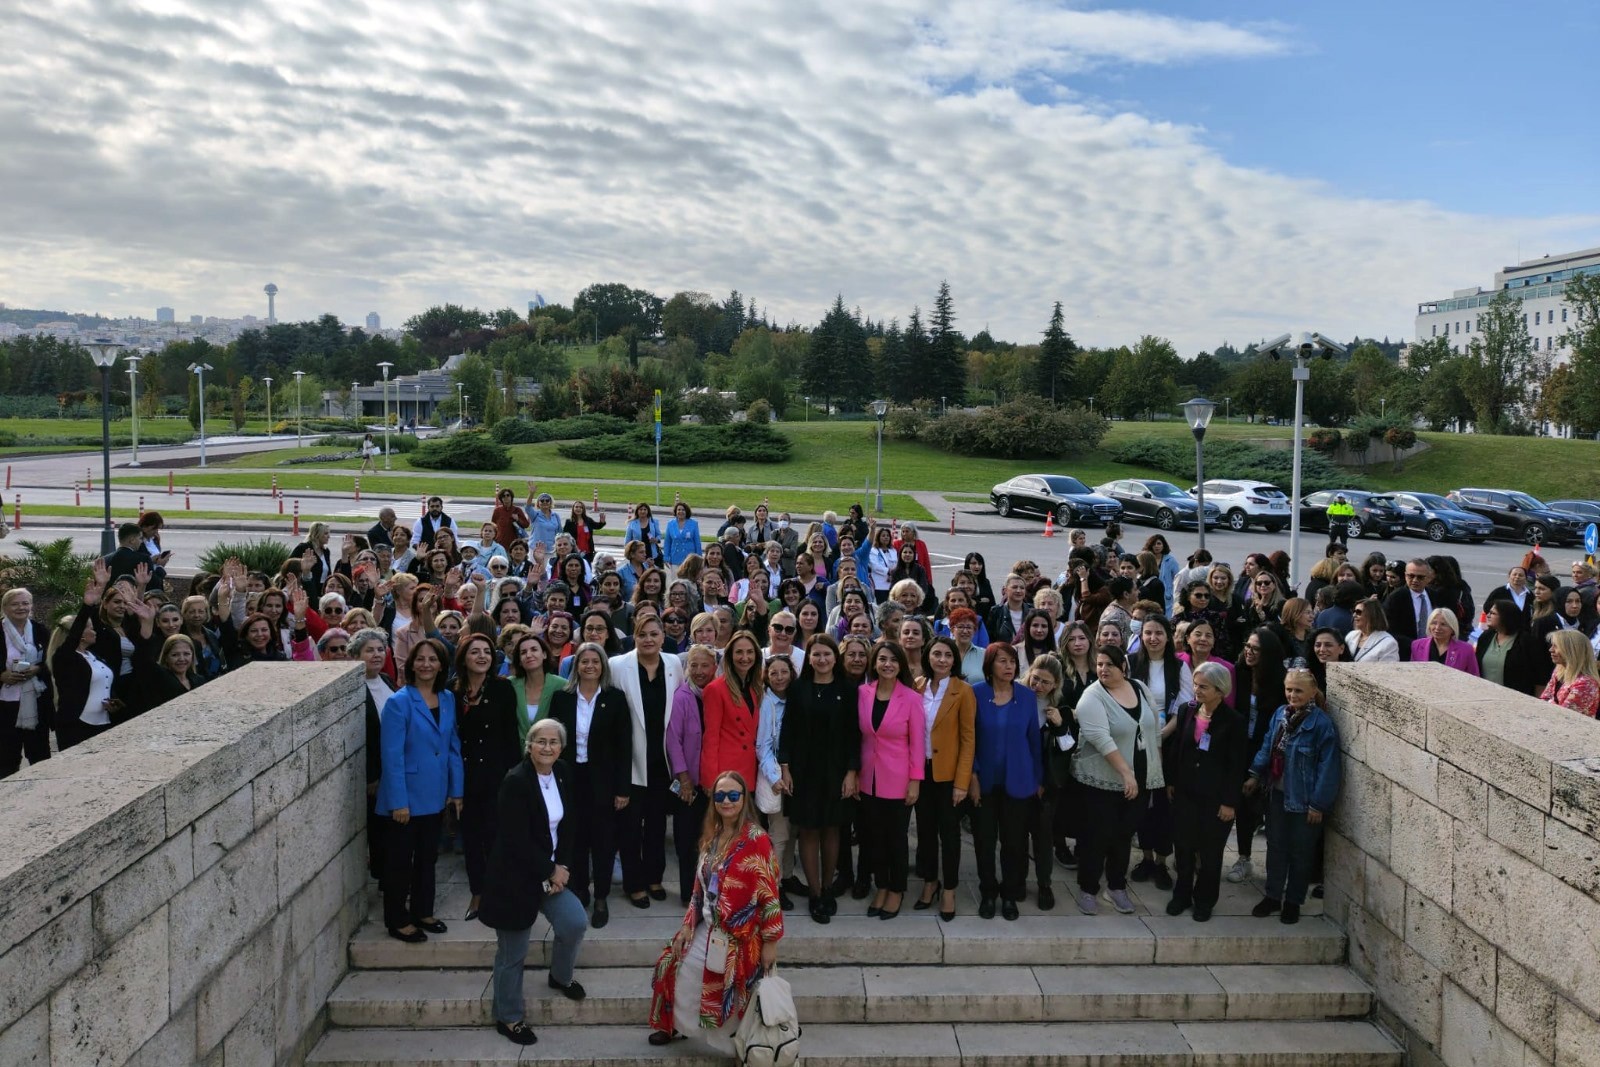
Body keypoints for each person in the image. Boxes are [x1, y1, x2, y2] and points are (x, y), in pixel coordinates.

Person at [648, 771, 783, 1052]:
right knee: (672, 965)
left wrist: (771, 943)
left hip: (740, 936)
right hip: (707, 925)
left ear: (744, 799)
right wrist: (687, 925)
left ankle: (742, 1047)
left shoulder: (757, 840)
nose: (726, 801)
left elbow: (770, 896)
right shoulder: (713, 836)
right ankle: (675, 1025)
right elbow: (699, 889)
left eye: (733, 795)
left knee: (727, 987)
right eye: (720, 796)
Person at [480, 718, 590, 1046]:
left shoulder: (564, 773)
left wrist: (563, 867)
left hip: (552, 873)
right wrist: (550, 870)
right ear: (529, 745)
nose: (547, 747)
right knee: (512, 952)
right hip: (516, 878)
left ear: (562, 747)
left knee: (574, 923)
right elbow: (514, 839)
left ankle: (559, 977)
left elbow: (570, 824)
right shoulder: (515, 781)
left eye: (553, 742)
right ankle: (509, 1017)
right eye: (540, 741)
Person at [376, 639, 464, 943]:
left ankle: (423, 911)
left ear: (442, 665)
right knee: (401, 861)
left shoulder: (448, 698)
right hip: (406, 799)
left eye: (433, 659)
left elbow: (452, 746)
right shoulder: (399, 702)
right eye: (421, 659)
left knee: (428, 858)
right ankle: (398, 919)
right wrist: (398, 802)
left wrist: (457, 790)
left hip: (436, 794)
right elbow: (392, 755)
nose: (426, 664)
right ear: (411, 664)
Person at [545, 642, 632, 927]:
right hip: (571, 780)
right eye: (585, 661)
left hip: (604, 782)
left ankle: (602, 896)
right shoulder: (562, 698)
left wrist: (622, 789)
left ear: (603, 665)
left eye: (596, 661)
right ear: (576, 666)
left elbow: (623, 747)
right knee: (575, 839)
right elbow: (555, 740)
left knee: (604, 841)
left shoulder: (615, 698)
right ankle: (579, 889)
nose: (590, 666)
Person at [1246, 665, 1341, 924]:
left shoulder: (1321, 724)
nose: (1292, 695)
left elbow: (1328, 767)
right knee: (1276, 847)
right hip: (1276, 793)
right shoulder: (1280, 714)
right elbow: (1269, 744)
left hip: (1304, 799)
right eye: (1289, 689)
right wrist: (1255, 773)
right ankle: (1273, 895)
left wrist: (1318, 804)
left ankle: (1294, 901)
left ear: (1312, 692)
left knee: (1300, 852)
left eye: (1298, 690)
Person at [779, 634, 859, 923]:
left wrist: (852, 772)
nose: (822, 659)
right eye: (816, 655)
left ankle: (827, 888)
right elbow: (786, 731)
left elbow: (854, 735)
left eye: (827, 654)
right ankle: (814, 893)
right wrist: (785, 767)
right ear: (809, 658)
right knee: (809, 831)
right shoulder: (798, 688)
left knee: (832, 830)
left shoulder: (848, 690)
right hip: (804, 771)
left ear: (835, 658)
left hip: (836, 772)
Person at [1163, 661, 1248, 922]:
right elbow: (1179, 749)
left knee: (1210, 854)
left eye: (1204, 686)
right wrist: (1172, 781)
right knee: (1184, 848)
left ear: (1220, 690)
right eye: (1196, 685)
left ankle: (1205, 900)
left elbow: (1237, 765)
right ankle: (1182, 894)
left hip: (1215, 800)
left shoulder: (1234, 721)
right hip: (1186, 795)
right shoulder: (1187, 710)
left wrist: (1229, 803)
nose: (1197, 690)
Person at [609, 615, 682, 910]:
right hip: (630, 760)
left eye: (654, 634)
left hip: (662, 761)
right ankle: (634, 883)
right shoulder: (618, 666)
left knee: (655, 824)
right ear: (634, 637)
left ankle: (654, 878)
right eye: (642, 634)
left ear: (663, 637)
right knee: (629, 827)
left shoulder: (674, 664)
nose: (649, 639)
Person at [969, 643, 1043, 920]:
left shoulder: (1025, 696)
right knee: (984, 842)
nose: (1009, 666)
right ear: (990, 665)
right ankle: (988, 892)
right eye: (1002, 661)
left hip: (1019, 780)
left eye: (1012, 661)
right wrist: (972, 774)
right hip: (984, 783)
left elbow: (1033, 739)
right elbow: (968, 739)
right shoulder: (975, 693)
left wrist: (1038, 777)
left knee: (1014, 843)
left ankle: (1010, 894)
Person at [452, 634, 523, 922]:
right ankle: (478, 892)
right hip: (465, 777)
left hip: (497, 775)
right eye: (474, 652)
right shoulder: (452, 691)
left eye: (487, 652)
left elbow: (510, 736)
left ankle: (499, 892)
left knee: (497, 836)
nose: (482, 656)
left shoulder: (503, 689)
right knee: (471, 837)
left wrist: (513, 776)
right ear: (463, 657)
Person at [854, 639, 924, 920]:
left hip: (899, 780)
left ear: (901, 665)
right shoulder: (863, 693)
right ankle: (881, 885)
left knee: (896, 838)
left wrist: (915, 780)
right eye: (882, 659)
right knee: (873, 838)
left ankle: (896, 889)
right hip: (868, 778)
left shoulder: (911, 698)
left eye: (893, 660)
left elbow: (918, 744)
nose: (887, 664)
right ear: (875, 662)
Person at [913, 635, 974, 921]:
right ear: (928, 657)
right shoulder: (917, 686)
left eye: (948, 655)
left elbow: (968, 739)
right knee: (925, 832)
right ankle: (929, 882)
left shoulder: (963, 691)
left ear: (954, 660)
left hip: (949, 775)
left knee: (949, 835)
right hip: (920, 771)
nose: (942, 660)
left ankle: (949, 888)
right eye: (937, 654)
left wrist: (962, 782)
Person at [1226, 627, 1287, 885]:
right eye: (1247, 646)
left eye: (1255, 649)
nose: (1248, 652)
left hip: (1268, 752)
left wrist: (1258, 769)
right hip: (1239, 749)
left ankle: (1277, 869)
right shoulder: (1237, 674)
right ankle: (1243, 857)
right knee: (1241, 806)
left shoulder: (1279, 681)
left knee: (1268, 811)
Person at [667, 644, 716, 902]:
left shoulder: (719, 692)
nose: (698, 671)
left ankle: (712, 891)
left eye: (704, 665)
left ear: (715, 667)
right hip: (689, 784)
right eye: (693, 665)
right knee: (686, 841)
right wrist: (683, 777)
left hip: (715, 782)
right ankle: (689, 892)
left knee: (713, 841)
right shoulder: (681, 696)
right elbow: (673, 739)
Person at [754, 655, 796, 909]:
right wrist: (775, 776)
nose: (780, 677)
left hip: (798, 775)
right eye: (774, 673)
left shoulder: (796, 699)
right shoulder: (766, 703)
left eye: (784, 672)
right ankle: (773, 887)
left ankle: (788, 877)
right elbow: (763, 745)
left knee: (793, 833)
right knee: (778, 834)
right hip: (776, 777)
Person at [700, 630, 764, 791]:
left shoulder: (756, 688)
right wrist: (710, 780)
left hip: (750, 768)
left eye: (750, 652)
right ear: (730, 656)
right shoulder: (715, 689)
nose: (745, 658)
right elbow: (711, 737)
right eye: (739, 652)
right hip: (726, 772)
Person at [1, 587, 55, 777]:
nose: (21, 608)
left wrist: (38, 669)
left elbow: (52, 660)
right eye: (15, 604)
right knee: (6, 758)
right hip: (6, 705)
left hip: (36, 701)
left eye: (25, 603)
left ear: (31, 606)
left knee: (40, 755)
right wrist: (2, 675)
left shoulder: (40, 630)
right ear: (5, 608)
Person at [1475, 599, 1543, 695]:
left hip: (1515, 699)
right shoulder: (1486, 637)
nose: (1488, 616)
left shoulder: (1526, 641)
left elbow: (1539, 675)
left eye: (1493, 613)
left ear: (1505, 617)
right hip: (1484, 695)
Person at [1540, 630, 1600, 717]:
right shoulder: (1559, 671)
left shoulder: (1586, 683)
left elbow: (1564, 716)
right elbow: (1544, 699)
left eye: (1556, 646)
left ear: (1571, 650)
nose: (1550, 650)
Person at [1385, 559, 1435, 661]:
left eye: (1420, 577)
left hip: (1433, 652)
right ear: (1405, 575)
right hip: (1406, 653)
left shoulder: (1435, 596)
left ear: (1429, 578)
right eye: (1411, 576)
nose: (1415, 580)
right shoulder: (1396, 598)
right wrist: (1416, 645)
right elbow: (1389, 629)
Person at [1412, 608, 1479, 675]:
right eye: (1434, 623)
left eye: (1443, 624)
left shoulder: (1466, 650)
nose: (1437, 627)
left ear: (1452, 628)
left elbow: (1474, 678)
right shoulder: (1417, 645)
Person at [1345, 598, 1399, 663]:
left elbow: (1388, 671)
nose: (1354, 615)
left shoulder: (1389, 643)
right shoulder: (1351, 636)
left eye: (1358, 612)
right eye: (1354, 611)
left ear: (1371, 615)